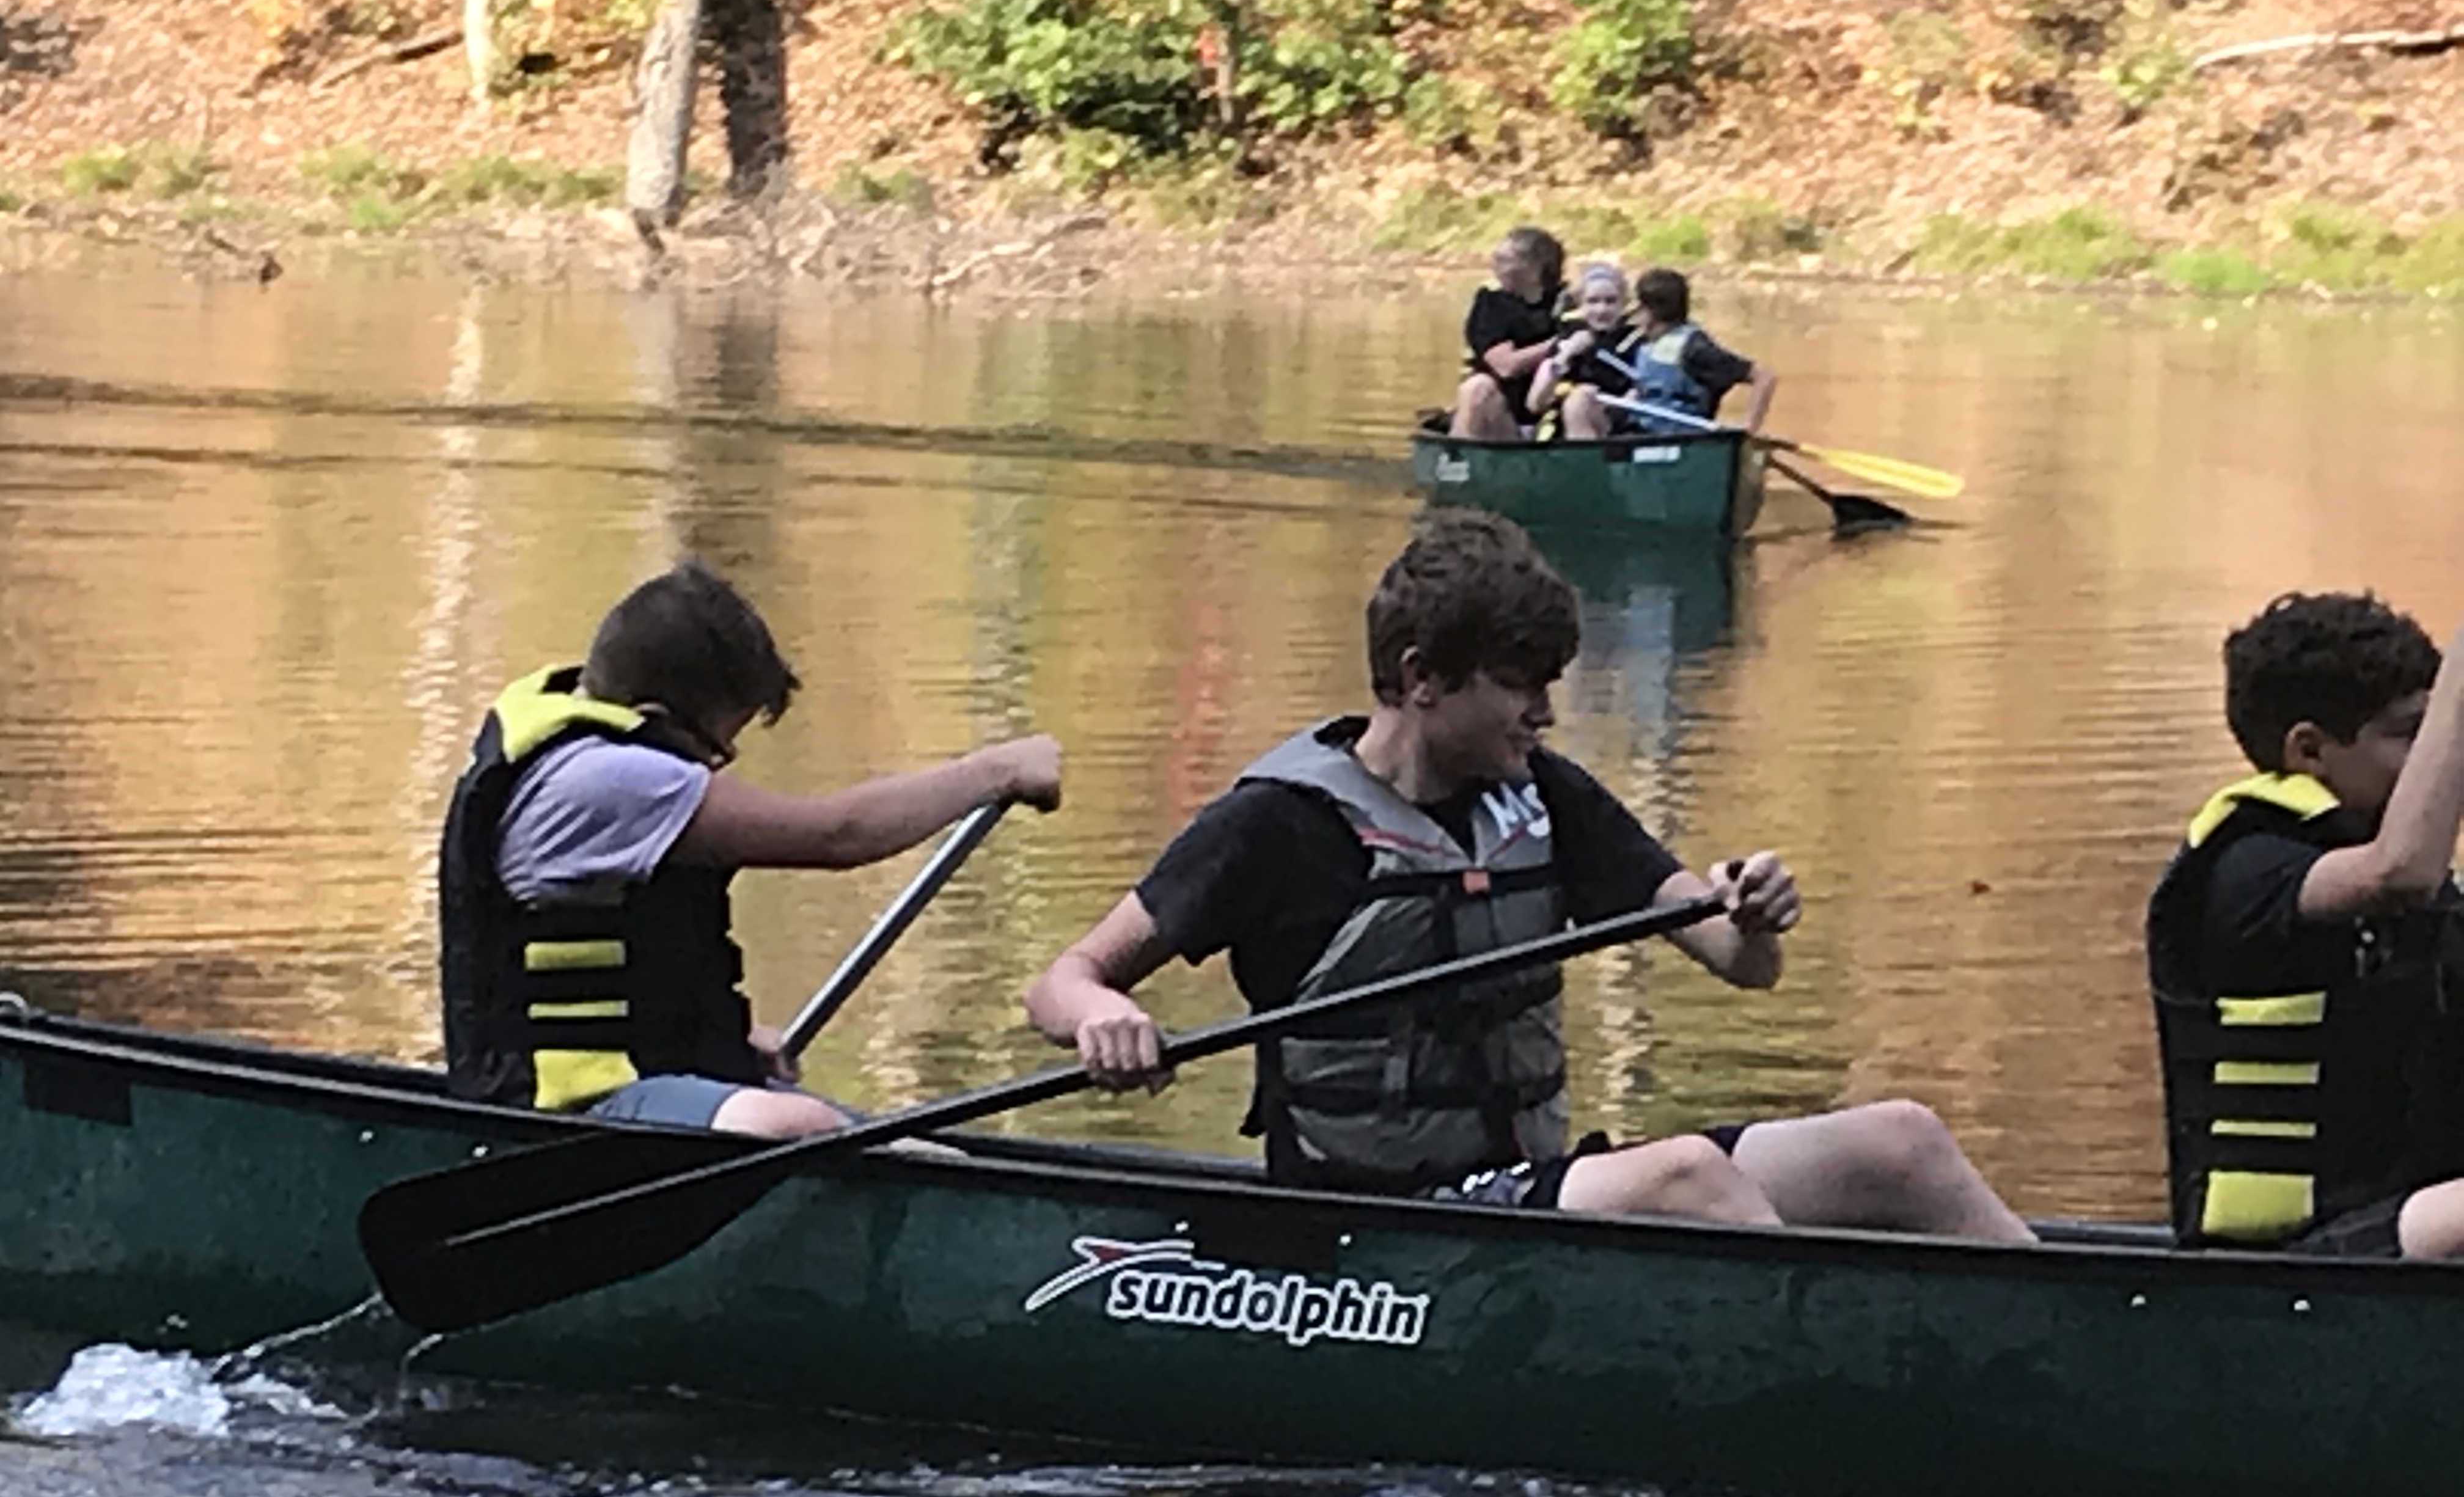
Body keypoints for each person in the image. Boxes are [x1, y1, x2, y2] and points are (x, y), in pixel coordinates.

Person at [1023, 510, 2034, 1240]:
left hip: (1529, 1186)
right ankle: (1841, 1392)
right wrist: (1102, 1016)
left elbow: (1736, 958)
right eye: (1518, 684)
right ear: (1420, 677)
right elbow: (1061, 982)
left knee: (1900, 1140)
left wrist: (1755, 911)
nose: (1544, 713)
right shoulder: (1274, 825)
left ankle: (2063, 1361)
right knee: (1686, 1177)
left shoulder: (1544, 797)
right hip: (1380, 1221)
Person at [441, 560, 1063, 1137]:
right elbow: (838, 834)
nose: (713, 771)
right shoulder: (608, 780)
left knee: (904, 1145)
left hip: (629, 1086)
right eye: (717, 749)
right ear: (653, 714)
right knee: (802, 1127)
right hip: (571, 1114)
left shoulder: (565, 733)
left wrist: (713, 1042)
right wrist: (996, 771)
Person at [2146, 590, 2464, 1258]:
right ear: (2311, 750)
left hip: (2413, 1225)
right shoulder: (2246, 871)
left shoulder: (2428, 897)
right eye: (2413, 735)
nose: (2437, 761)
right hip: (2294, 1262)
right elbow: (2398, 871)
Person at [1585, 267, 1779, 438]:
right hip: (1640, 434)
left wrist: (1750, 428)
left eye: (1639, 308)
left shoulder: (1696, 349)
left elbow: (1764, 377)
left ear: (1650, 311)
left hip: (1679, 442)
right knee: (1586, 405)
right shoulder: (1647, 344)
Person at [1449, 226, 1567, 440]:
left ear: (1534, 267)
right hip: (1503, 417)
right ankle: (1460, 454)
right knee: (1477, 387)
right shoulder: (1491, 304)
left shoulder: (1566, 302)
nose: (1495, 266)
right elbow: (1506, 366)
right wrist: (1559, 345)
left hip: (1553, 415)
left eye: (1504, 260)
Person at [1527, 260, 1641, 442]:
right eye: (1593, 301)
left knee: (1582, 398)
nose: (1602, 310)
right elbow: (1535, 404)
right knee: (1579, 397)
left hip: (1617, 429)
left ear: (1623, 304)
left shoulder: (1636, 342)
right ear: (1581, 305)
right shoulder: (1567, 340)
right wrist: (1565, 356)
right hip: (1563, 429)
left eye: (1611, 301)